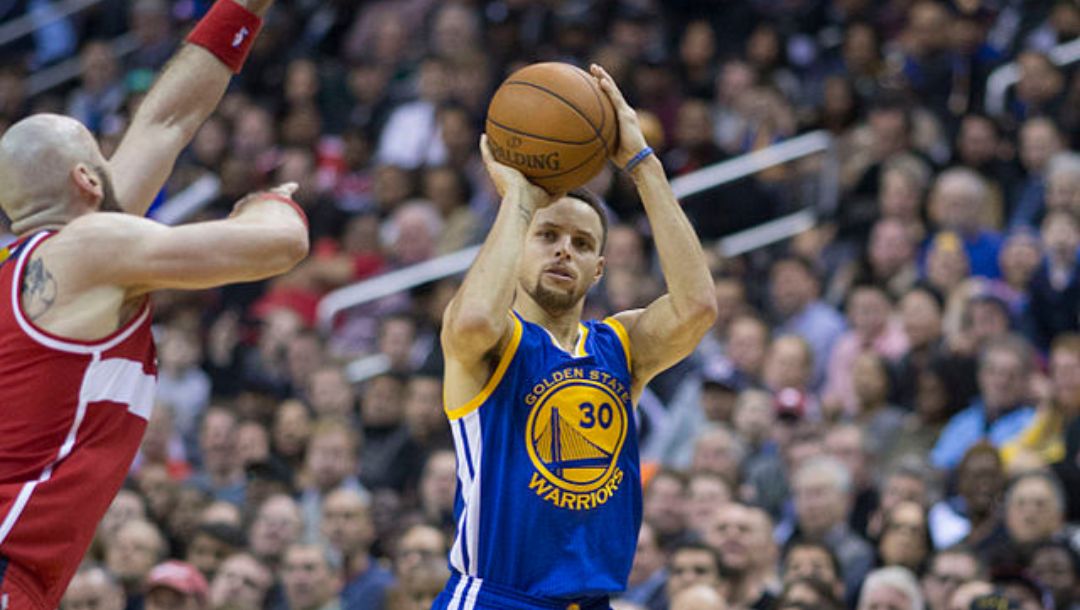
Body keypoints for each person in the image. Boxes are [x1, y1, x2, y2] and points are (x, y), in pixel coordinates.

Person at [0, 1, 309, 608]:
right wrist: (269, 203)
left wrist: (243, 9)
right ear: (88, 180)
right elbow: (281, 245)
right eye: (103, 157)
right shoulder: (87, 249)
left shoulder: (37, 263)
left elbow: (166, 121)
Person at [432, 64, 717, 608]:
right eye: (548, 236)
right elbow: (473, 323)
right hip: (496, 597)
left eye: (583, 244)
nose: (565, 249)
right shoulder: (495, 342)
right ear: (517, 247)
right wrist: (518, 201)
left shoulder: (620, 346)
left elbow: (698, 308)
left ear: (599, 269)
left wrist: (643, 164)